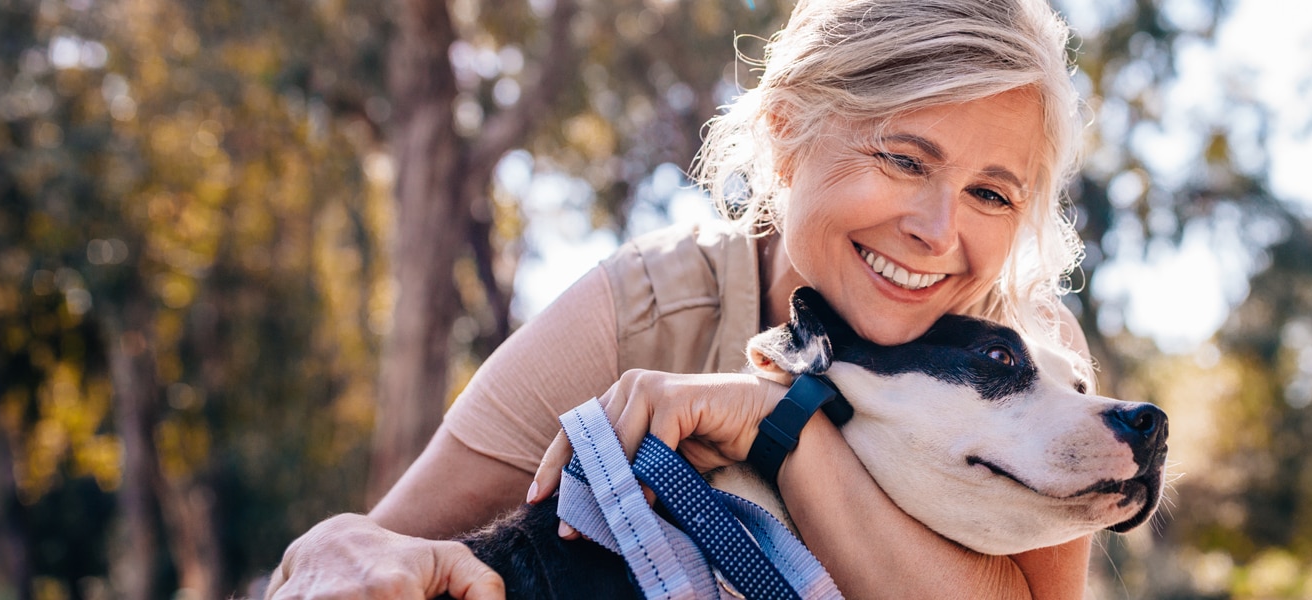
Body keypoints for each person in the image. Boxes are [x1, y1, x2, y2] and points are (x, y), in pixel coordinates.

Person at [264, 0, 1095, 597]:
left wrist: (779, 428)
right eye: (906, 161)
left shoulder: (1032, 359)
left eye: (992, 194)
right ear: (786, 134)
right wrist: (338, 546)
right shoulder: (647, 309)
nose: (938, 231)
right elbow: (378, 555)